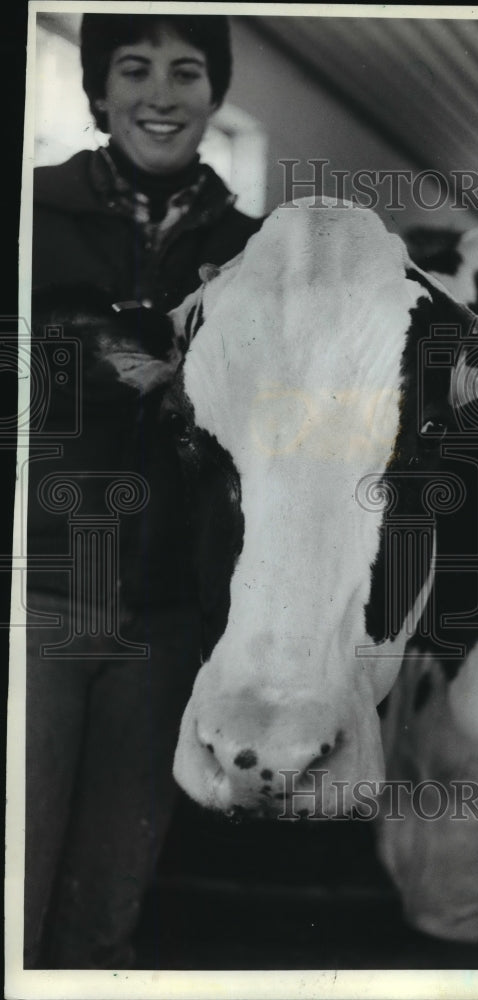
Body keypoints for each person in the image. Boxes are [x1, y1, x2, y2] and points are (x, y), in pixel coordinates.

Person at [26, 13, 261, 968]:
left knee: (107, 908)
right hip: (38, 600)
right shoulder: (28, 210)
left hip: (166, 617)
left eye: (186, 72)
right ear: (98, 89)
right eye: (134, 68)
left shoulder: (256, 250)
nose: (160, 93)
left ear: (213, 94)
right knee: (15, 888)